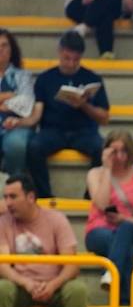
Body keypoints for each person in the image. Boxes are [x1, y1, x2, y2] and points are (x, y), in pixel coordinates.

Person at [0, 174, 88, 307]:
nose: (7, 203)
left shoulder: (56, 219)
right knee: (2, 289)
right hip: (21, 287)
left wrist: (53, 285)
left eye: (13, 197)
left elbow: (72, 266)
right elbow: (3, 266)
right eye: (5, 197)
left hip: (54, 285)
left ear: (31, 197)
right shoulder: (4, 222)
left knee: (78, 291)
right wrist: (26, 283)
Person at [27, 31, 109, 200]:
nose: (71, 64)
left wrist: (84, 105)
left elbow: (104, 117)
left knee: (103, 149)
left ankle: (91, 196)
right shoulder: (45, 79)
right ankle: (44, 196)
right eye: (66, 58)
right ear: (59, 52)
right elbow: (38, 111)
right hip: (53, 130)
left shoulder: (92, 78)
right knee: (34, 147)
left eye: (76, 60)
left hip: (84, 131)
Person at [84, 129, 133, 304]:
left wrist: (123, 220)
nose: (119, 157)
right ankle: (125, 302)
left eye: (124, 151)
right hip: (100, 230)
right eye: (115, 152)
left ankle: (111, 273)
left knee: (126, 229)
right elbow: (101, 204)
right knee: (125, 249)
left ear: (131, 152)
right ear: (107, 151)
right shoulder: (94, 174)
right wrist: (107, 169)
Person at [0, 29, 36, 177]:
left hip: (16, 125)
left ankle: (15, 184)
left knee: (16, 144)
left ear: (11, 49)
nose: (0, 49)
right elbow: (17, 101)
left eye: (4, 45)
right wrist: (9, 95)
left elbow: (26, 103)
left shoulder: (23, 75)